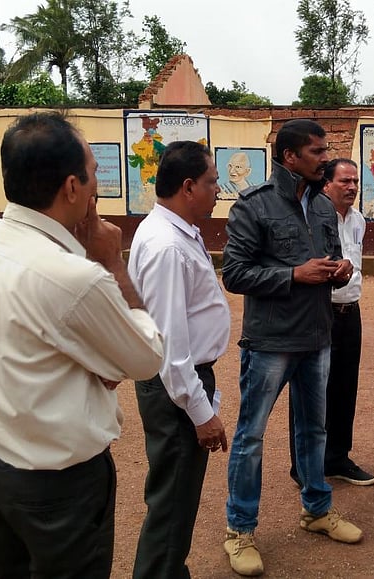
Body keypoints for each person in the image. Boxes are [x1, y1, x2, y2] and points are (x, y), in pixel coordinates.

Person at [0, 112, 164, 578]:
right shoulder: (74, 277)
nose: (94, 191)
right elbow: (146, 359)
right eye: (91, 178)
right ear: (71, 187)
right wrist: (113, 264)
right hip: (57, 489)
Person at [221, 119, 363, 577]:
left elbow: (332, 257)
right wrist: (293, 275)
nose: (325, 159)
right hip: (270, 342)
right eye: (318, 152)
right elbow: (235, 274)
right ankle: (240, 530)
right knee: (252, 436)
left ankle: (317, 510)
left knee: (314, 431)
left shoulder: (323, 208)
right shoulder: (254, 207)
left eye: (325, 151)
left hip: (317, 336)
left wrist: (338, 270)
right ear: (289, 157)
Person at [128, 141, 231, 579]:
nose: (218, 190)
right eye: (211, 182)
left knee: (177, 498)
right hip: (177, 386)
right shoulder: (167, 245)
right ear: (188, 187)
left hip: (180, 381)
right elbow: (170, 347)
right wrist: (201, 412)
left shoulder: (173, 232)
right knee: (172, 502)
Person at [289, 158, 374, 486]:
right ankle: (302, 467)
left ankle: (337, 458)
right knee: (309, 391)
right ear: (326, 184)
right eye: (345, 181)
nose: (352, 187)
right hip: (318, 313)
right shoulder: (311, 218)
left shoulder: (358, 220)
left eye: (355, 181)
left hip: (350, 312)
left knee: (343, 389)